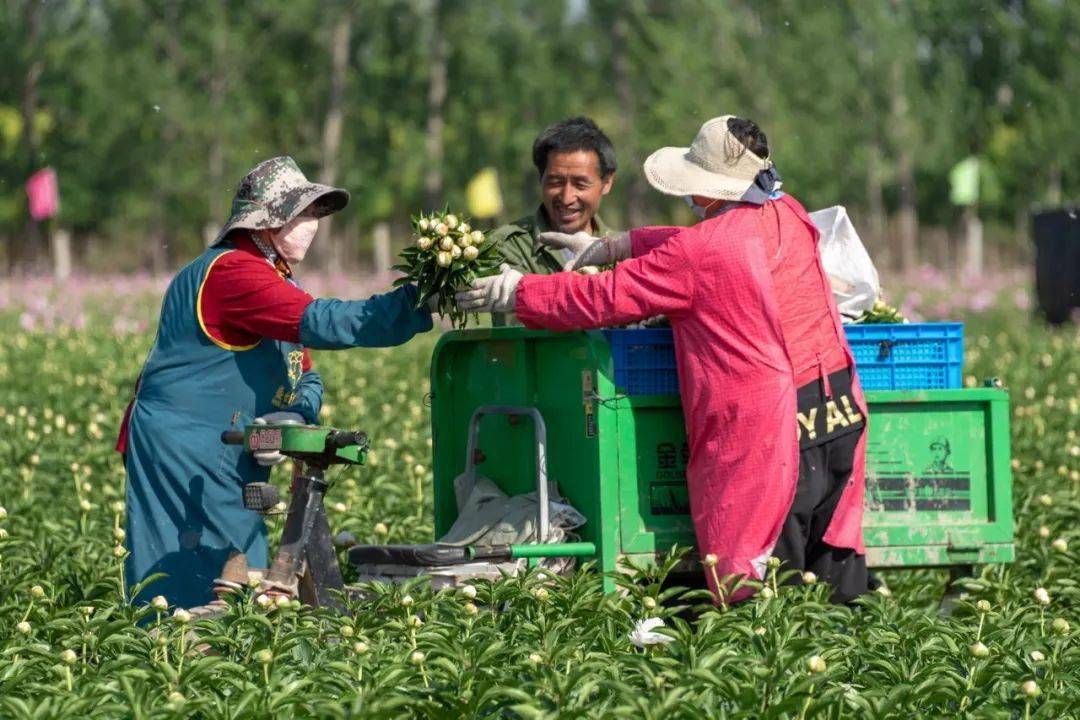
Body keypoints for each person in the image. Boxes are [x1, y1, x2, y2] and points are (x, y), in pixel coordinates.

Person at [457, 116, 870, 604]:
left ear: (714, 189)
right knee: (833, 575)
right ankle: (847, 671)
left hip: (772, 431)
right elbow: (692, 244)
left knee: (760, 586)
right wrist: (617, 245)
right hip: (837, 406)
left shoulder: (704, 251)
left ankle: (771, 673)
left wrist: (519, 292)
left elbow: (602, 297)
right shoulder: (789, 213)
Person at [116, 156, 433, 608]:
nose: (313, 225)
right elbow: (323, 321)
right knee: (189, 589)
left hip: (233, 447)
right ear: (267, 221)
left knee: (243, 577)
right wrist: (413, 302)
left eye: (316, 215)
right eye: (304, 214)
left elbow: (306, 372)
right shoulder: (232, 273)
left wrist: (294, 412)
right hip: (184, 451)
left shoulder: (274, 279)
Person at [488, 116, 618, 324]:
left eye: (580, 184)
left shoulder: (623, 252)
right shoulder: (505, 245)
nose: (566, 198)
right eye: (555, 182)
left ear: (607, 182)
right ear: (541, 179)